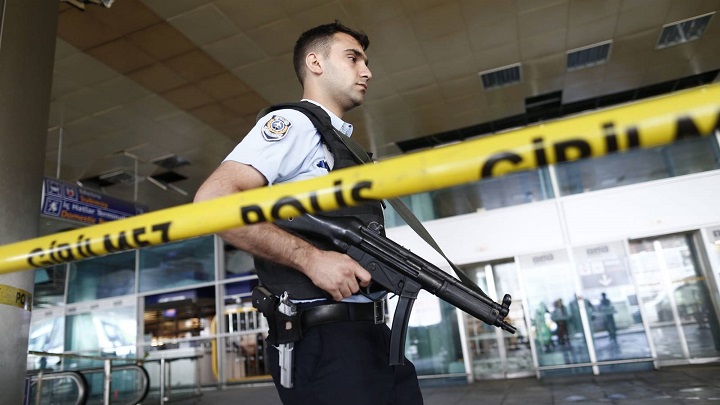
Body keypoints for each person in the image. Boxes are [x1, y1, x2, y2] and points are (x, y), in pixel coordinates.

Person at [194, 21, 423, 405]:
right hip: (325, 339)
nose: (367, 71)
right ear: (315, 62)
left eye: (365, 61)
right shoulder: (297, 124)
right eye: (353, 58)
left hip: (368, 337)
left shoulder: (340, 142)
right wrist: (312, 260)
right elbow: (214, 201)